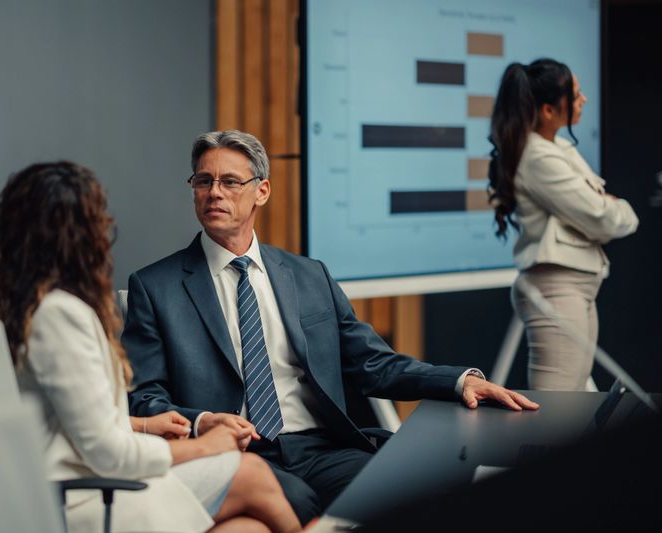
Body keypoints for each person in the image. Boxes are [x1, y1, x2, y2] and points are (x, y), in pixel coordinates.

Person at [122, 129, 540, 525]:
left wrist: (457, 381)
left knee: (396, 488)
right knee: (299, 503)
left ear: (261, 191)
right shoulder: (155, 287)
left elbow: (372, 363)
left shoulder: (309, 275)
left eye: (230, 182)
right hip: (239, 453)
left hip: (321, 446)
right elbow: (144, 399)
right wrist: (201, 423)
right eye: (203, 181)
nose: (214, 192)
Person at [0, 161, 300, 533]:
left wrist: (142, 424)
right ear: (77, 236)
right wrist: (208, 445)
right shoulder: (59, 316)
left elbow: (64, 418)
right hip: (88, 495)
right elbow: (108, 454)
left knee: (249, 530)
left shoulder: (25, 305)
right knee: (251, 471)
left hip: (76, 482)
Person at [487, 59, 639, 391]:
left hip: (575, 286)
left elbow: (596, 214)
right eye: (575, 94)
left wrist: (607, 210)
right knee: (556, 418)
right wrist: (618, 209)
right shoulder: (539, 156)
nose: (583, 100)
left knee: (575, 411)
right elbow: (600, 217)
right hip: (557, 289)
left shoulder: (557, 148)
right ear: (547, 110)